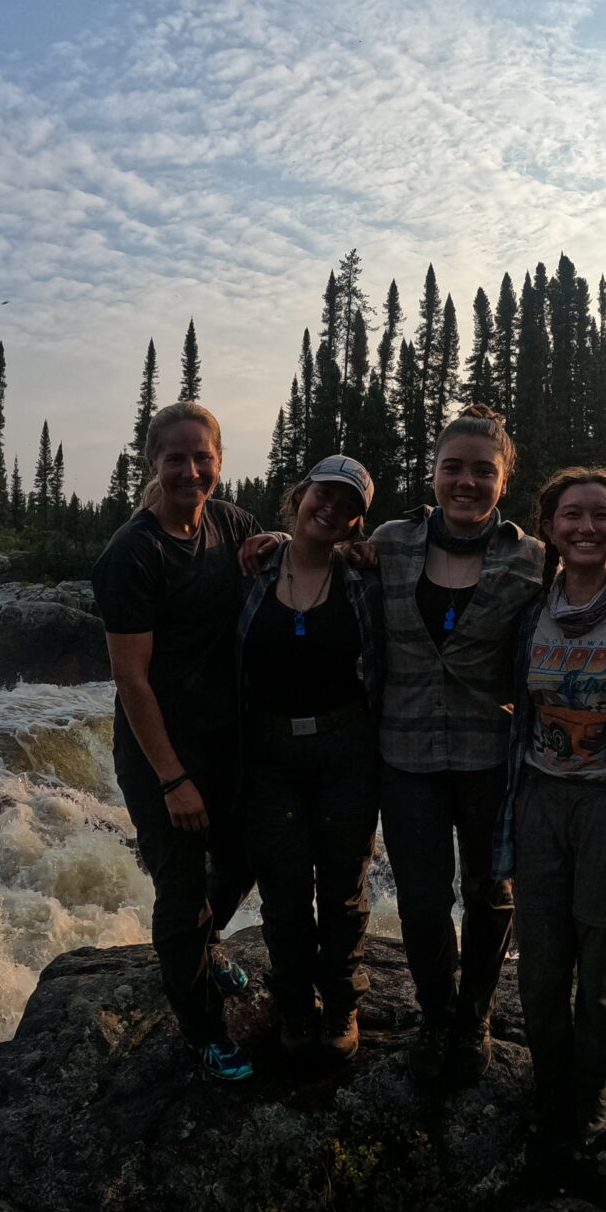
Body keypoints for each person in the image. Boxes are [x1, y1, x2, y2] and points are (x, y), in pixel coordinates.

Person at [493, 468, 606, 1185]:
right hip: (538, 800)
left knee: (599, 962)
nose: (587, 527)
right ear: (550, 526)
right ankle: (549, 1083)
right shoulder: (528, 607)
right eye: (572, 515)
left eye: (601, 515)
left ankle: (591, 1091)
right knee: (539, 965)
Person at [92, 400, 264, 1082]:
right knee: (182, 883)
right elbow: (131, 678)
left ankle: (205, 951)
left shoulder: (230, 523)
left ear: (219, 462)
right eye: (176, 459)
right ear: (152, 463)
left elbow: (273, 565)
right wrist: (172, 778)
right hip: (159, 748)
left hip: (228, 738)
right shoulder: (132, 553)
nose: (191, 471)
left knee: (247, 852)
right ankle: (201, 1030)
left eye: (203, 458)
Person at [375, 407, 544, 1087]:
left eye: (483, 470)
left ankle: (475, 1014)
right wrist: (263, 543)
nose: (466, 482)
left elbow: (592, 596)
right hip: (405, 755)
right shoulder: (389, 542)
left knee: (490, 894)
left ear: (504, 479)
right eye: (454, 468)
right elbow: (315, 559)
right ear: (434, 471)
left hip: (488, 755)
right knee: (419, 899)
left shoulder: (531, 556)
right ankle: (435, 1013)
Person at [236, 455, 383, 1067]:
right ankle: (295, 1003)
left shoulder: (362, 574)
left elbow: (444, 532)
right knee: (284, 888)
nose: (332, 509)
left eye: (349, 505)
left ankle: (342, 1003)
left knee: (344, 888)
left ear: (357, 522)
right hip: (267, 752)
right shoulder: (251, 565)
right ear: (300, 496)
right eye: (323, 494)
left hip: (346, 748)